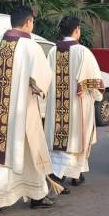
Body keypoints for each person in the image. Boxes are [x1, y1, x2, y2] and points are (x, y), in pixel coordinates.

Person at [0, 5, 57, 216]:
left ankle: (36, 195)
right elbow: (42, 82)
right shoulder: (32, 47)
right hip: (21, 112)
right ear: (28, 23)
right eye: (32, 22)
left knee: (10, 153)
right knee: (21, 149)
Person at [43, 16, 104, 188]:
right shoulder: (83, 52)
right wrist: (96, 96)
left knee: (60, 140)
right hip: (77, 106)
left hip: (57, 106)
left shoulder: (53, 52)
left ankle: (75, 174)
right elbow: (94, 83)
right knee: (76, 140)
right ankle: (63, 175)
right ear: (77, 30)